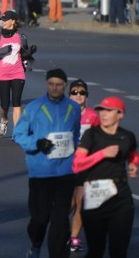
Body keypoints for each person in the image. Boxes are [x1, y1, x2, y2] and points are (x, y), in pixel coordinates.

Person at [13, 68, 81, 258]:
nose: (54, 88)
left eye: (59, 85)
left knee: (60, 221)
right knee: (40, 219)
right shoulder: (34, 108)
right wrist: (37, 143)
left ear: (65, 86)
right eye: (51, 84)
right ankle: (35, 245)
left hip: (65, 173)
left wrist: (74, 156)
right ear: (46, 84)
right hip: (40, 172)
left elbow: (75, 135)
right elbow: (18, 135)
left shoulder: (73, 108)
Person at [72, 96, 137, 258]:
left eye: (109, 111)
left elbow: (132, 153)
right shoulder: (91, 135)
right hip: (95, 196)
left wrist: (133, 164)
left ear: (120, 114)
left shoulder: (127, 136)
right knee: (96, 250)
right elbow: (76, 165)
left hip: (121, 197)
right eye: (101, 110)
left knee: (119, 251)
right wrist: (102, 154)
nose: (103, 114)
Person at [0, 10, 36, 136]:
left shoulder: (21, 37)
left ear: (13, 21)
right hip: (2, 74)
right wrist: (3, 51)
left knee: (16, 102)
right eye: (2, 20)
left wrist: (30, 51)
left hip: (18, 72)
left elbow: (24, 54)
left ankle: (17, 132)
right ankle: (4, 120)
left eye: (5, 20)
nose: (3, 22)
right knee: (4, 104)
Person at [66, 79, 100, 252]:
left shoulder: (93, 116)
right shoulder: (62, 113)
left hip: (84, 165)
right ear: (69, 95)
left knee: (80, 201)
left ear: (87, 96)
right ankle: (61, 227)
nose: (78, 95)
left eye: (82, 92)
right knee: (67, 202)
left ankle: (74, 238)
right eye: (74, 92)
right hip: (64, 164)